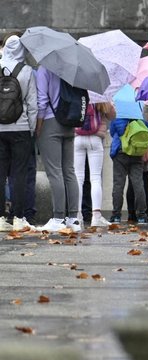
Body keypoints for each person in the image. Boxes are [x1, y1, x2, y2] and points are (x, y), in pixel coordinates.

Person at [35, 65, 82, 232]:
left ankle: (58, 217)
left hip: (50, 122)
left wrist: (39, 126)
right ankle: (74, 219)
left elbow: (41, 100)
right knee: (69, 170)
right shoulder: (73, 68)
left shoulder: (44, 69)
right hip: (69, 122)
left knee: (55, 172)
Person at [0, 34, 36, 232]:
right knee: (19, 174)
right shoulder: (27, 70)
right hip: (21, 128)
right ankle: (19, 217)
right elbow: (32, 104)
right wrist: (31, 129)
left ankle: (0, 219)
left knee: (0, 173)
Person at [73, 101, 115, 228]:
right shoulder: (98, 94)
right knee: (95, 178)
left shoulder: (76, 91)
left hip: (77, 137)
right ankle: (96, 216)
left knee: (78, 178)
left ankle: (77, 215)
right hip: (95, 138)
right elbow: (112, 115)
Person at [107, 117, 148, 224]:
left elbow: (112, 132)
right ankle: (142, 216)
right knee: (138, 184)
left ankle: (116, 215)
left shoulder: (117, 118)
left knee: (118, 184)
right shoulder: (140, 117)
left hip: (120, 152)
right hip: (136, 153)